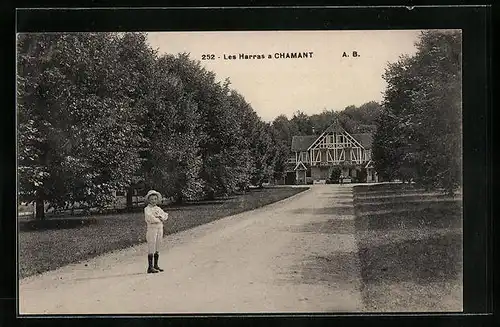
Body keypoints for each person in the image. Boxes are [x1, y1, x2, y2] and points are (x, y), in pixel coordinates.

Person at [144, 190, 169, 274]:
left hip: (159, 228)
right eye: (151, 199)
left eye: (155, 199)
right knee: (152, 244)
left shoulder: (158, 209)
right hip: (152, 229)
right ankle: (150, 267)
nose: (153, 201)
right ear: (148, 200)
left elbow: (165, 215)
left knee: (158, 244)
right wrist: (158, 219)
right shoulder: (147, 209)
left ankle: (156, 265)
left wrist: (161, 217)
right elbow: (150, 218)